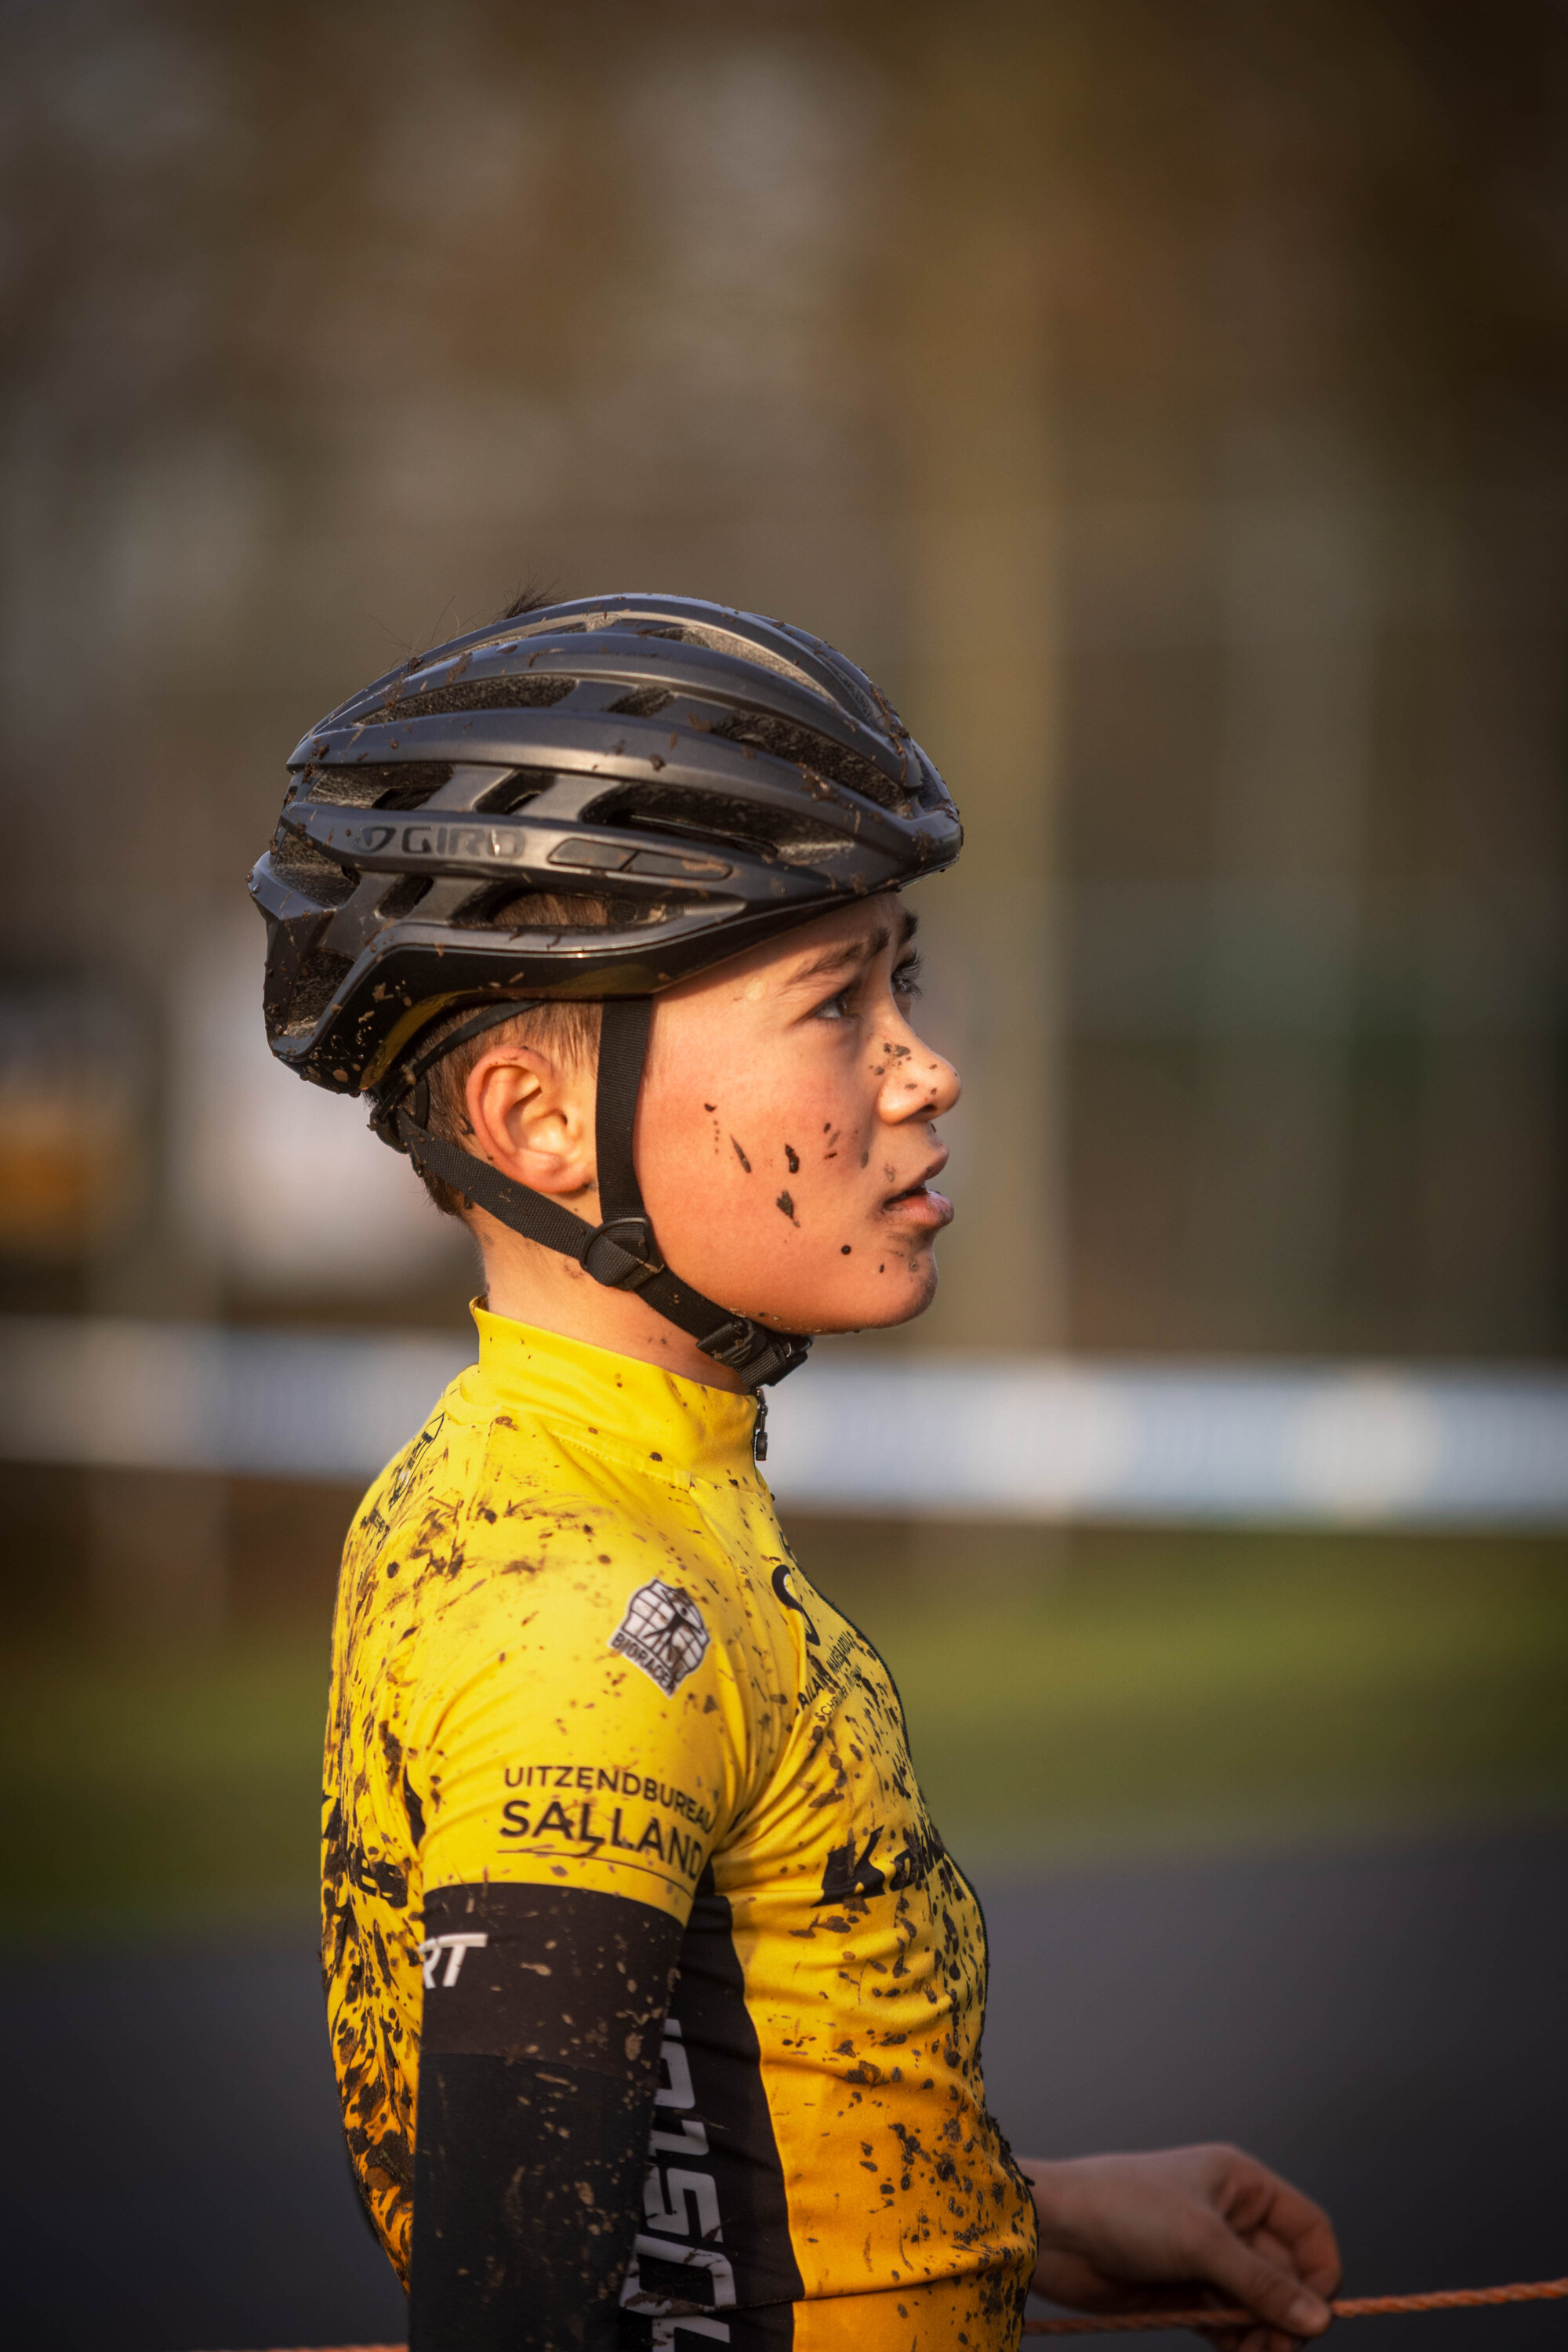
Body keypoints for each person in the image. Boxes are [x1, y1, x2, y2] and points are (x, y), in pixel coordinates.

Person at [252, 592, 1341, 2352]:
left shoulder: (537, 1485)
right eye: (836, 1003)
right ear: (536, 1122)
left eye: (898, 973)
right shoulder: (588, 1626)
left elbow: (689, 2157)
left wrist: (1020, 2215)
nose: (926, 1066)